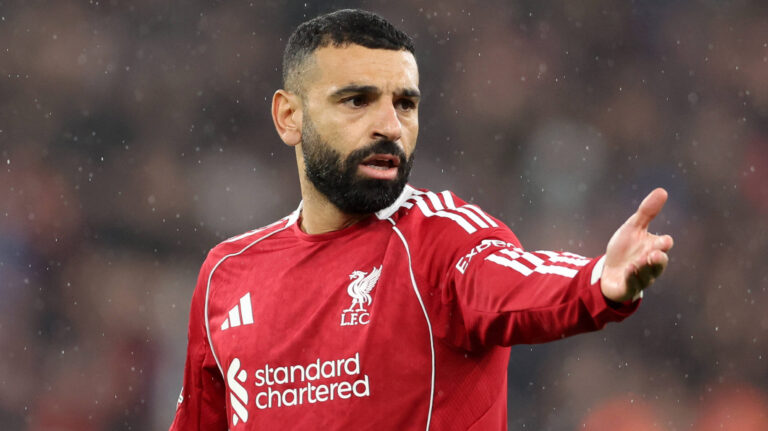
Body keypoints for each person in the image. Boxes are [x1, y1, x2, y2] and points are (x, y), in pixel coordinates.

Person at [169, 9, 674, 430]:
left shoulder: (442, 239)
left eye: (404, 104)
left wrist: (598, 281)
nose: (389, 125)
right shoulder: (227, 274)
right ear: (289, 117)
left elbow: (519, 282)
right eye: (357, 100)